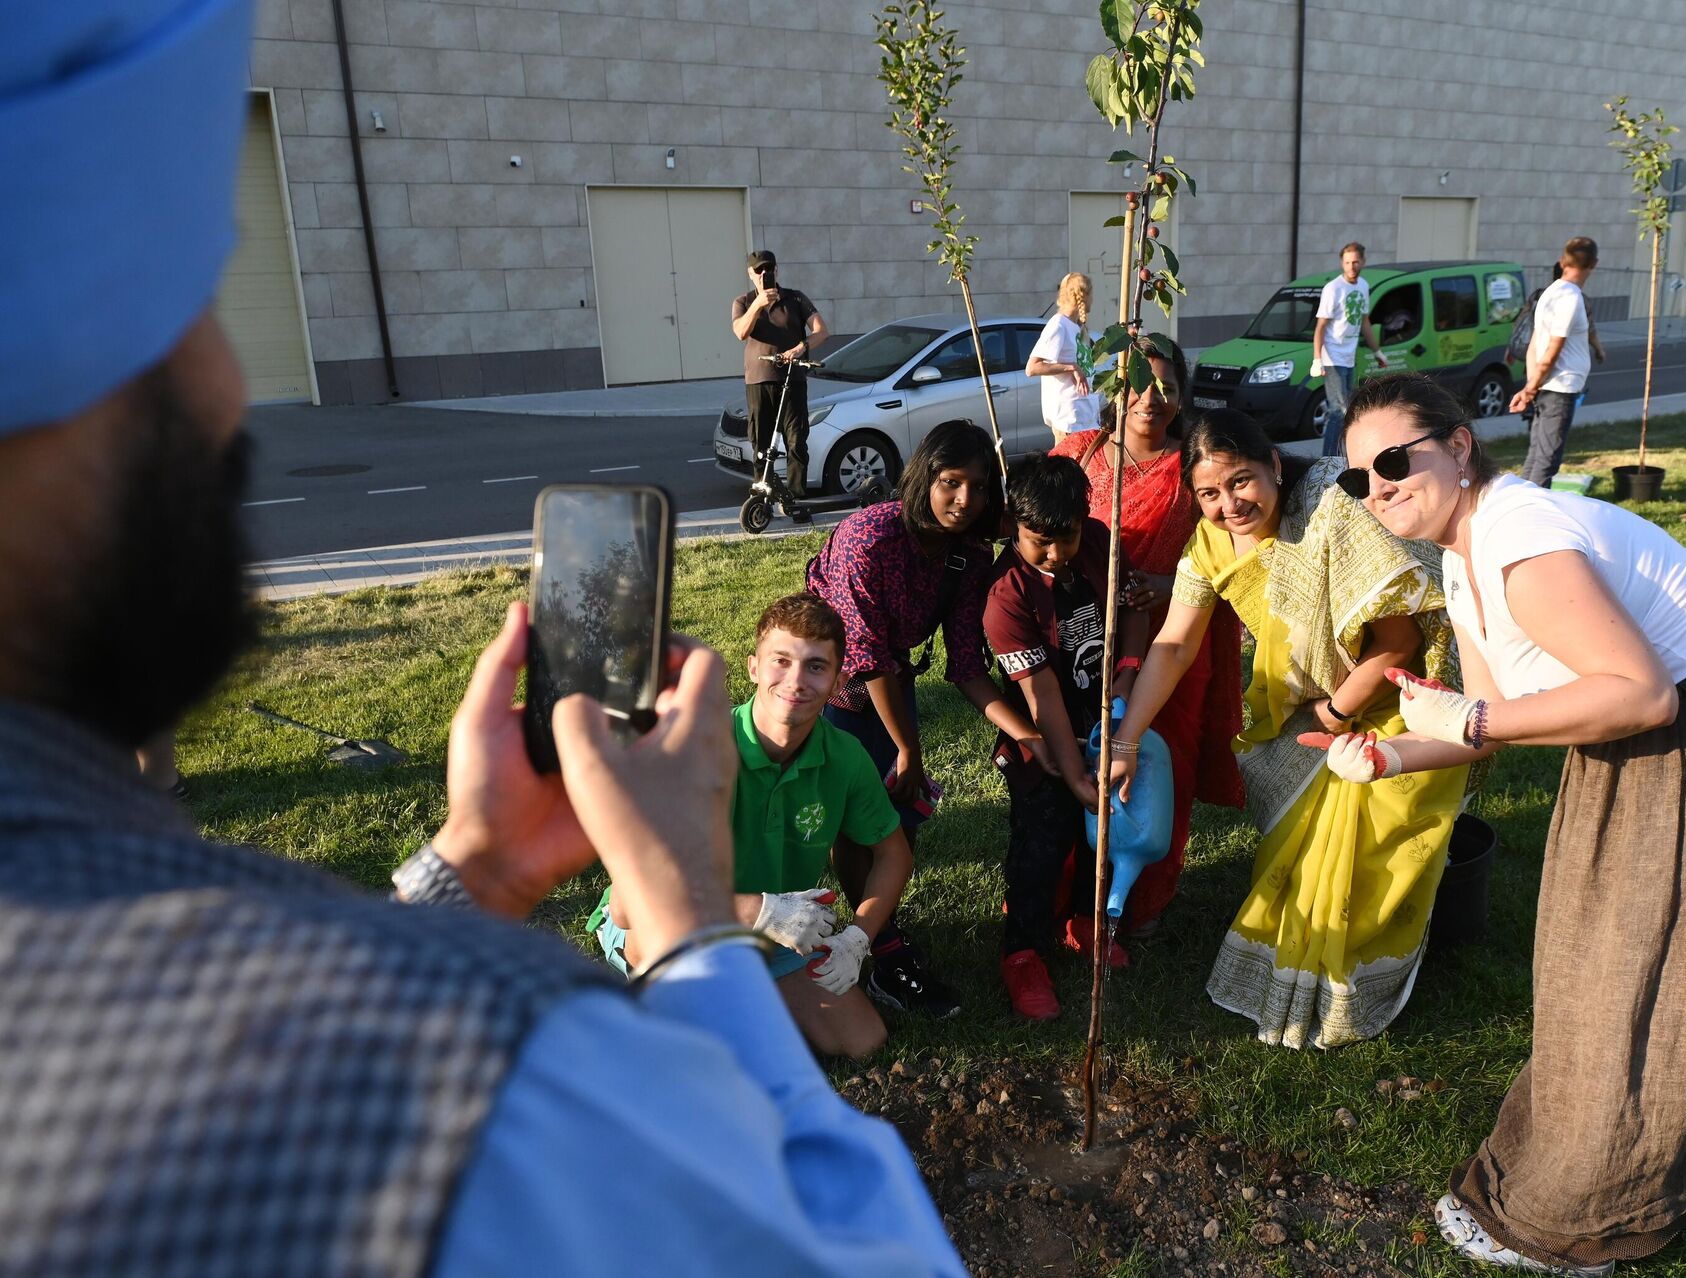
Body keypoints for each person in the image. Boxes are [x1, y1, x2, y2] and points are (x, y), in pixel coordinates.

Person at [0, 5, 965, 1273]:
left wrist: (474, 873)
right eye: (182, 296)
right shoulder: (484, 1077)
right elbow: (861, 1253)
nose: (228, 378)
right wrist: (686, 918)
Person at [1334, 372, 1686, 1275]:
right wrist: (1390, 754)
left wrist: (1471, 722)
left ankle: (1594, 1216)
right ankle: (1648, 1163)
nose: (1377, 489)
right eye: (1357, 479)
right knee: (1608, 972)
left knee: (1648, 982)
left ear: (1459, 445)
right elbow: (1486, 719)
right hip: (1669, 738)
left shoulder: (1520, 537)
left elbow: (1639, 693)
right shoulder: (1465, 554)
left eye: (1392, 462)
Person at [1107, 408, 1471, 1049]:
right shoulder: (1210, 541)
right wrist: (1126, 739)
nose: (1229, 505)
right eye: (1209, 493)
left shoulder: (1333, 510)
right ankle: (1299, 963)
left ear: (1275, 463)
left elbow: (1399, 641)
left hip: (1398, 700)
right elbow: (1172, 646)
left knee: (1363, 852)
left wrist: (1335, 717)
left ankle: (1354, 990)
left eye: (1242, 481)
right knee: (1298, 859)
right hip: (1315, 706)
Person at [805, 419, 1054, 1018]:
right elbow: (864, 658)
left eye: (977, 487)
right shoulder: (869, 536)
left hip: (891, 687)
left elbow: (967, 663)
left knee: (898, 821)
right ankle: (883, 956)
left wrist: (1029, 734)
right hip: (831, 686)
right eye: (949, 482)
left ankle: (875, 934)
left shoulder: (968, 555)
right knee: (856, 821)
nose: (963, 500)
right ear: (924, 477)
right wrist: (907, 750)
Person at [588, 593, 906, 1058]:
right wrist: (759, 911)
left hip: (777, 927)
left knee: (862, 1041)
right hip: (673, 923)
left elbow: (892, 853)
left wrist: (859, 937)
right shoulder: (694, 751)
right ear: (754, 667)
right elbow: (628, 907)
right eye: (781, 661)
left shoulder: (846, 757)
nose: (796, 681)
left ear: (837, 679)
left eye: (816, 666)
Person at [1053, 339, 1245, 938]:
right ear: (1115, 389)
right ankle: (1066, 896)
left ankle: (1145, 901)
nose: (1150, 398)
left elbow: (1230, 546)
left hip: (1175, 639)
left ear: (1182, 395)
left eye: (1165, 386)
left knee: (1166, 768)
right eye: (1137, 382)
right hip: (1080, 637)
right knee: (1082, 764)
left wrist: (1168, 583)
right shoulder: (1079, 455)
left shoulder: (1195, 467)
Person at [984, 456, 1149, 1019]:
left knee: (1099, 831)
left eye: (1068, 538)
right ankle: (1023, 950)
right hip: (1039, 739)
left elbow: (1131, 610)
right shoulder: (1007, 596)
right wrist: (1070, 767)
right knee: (1043, 838)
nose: (1057, 554)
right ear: (1013, 526)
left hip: (1103, 716)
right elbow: (1042, 692)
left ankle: (1086, 919)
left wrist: (1125, 684)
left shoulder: (1101, 541)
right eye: (1040, 542)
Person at [732, 249, 830, 516]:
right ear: (750, 274)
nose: (766, 274)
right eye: (760, 270)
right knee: (761, 442)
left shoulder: (795, 298)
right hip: (759, 380)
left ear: (778, 269)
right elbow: (741, 332)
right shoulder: (743, 301)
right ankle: (762, 498)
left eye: (770, 268)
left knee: (797, 440)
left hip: (792, 378)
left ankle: (795, 500)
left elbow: (822, 331)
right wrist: (758, 305)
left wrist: (801, 347)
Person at [1510, 236, 1598, 487]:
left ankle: (1520, 507)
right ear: (1594, 263)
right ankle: (1533, 516)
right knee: (1547, 461)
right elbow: (1551, 351)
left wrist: (1531, 385)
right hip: (1559, 388)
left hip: (1545, 385)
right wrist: (1530, 389)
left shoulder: (1550, 292)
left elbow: (1535, 345)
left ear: (1563, 262)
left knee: (1537, 455)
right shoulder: (1570, 298)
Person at [1313, 242, 1390, 457]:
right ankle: (1328, 460)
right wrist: (1317, 359)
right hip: (1332, 356)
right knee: (1338, 411)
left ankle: (1344, 455)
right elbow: (1320, 327)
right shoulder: (1333, 289)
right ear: (1342, 263)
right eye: (1347, 262)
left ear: (1363, 262)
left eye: (1355, 262)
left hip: (1349, 357)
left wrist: (1378, 353)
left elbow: (1364, 322)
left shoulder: (1363, 286)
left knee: (1349, 410)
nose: (1351, 266)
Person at [1027, 271, 1103, 442]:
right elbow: (1032, 368)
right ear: (1084, 296)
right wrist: (1071, 367)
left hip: (1086, 420)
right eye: (1092, 295)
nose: (1093, 300)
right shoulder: (1058, 325)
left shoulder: (1076, 327)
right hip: (1069, 422)